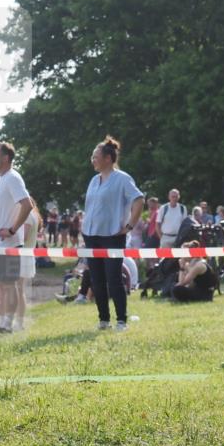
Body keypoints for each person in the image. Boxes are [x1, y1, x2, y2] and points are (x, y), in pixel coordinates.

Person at [81, 136, 145, 331]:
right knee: (96, 280)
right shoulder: (93, 180)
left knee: (114, 279)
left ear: (108, 158)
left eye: (96, 157)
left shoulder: (122, 179)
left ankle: (121, 320)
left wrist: (129, 225)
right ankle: (103, 320)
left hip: (112, 236)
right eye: (92, 157)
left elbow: (139, 200)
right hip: (91, 236)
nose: (93, 160)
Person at [0, 143, 32, 335]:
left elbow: (27, 205)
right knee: (1, 286)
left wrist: (12, 230)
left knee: (9, 286)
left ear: (6, 158)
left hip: (9, 244)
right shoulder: (2, 179)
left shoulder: (13, 178)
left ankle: (7, 325)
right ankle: (1, 324)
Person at [15, 196, 42, 331]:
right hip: (25, 255)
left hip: (23, 256)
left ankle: (19, 322)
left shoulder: (28, 216)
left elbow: (22, 237)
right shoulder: (33, 215)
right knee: (19, 291)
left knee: (18, 291)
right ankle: (18, 322)